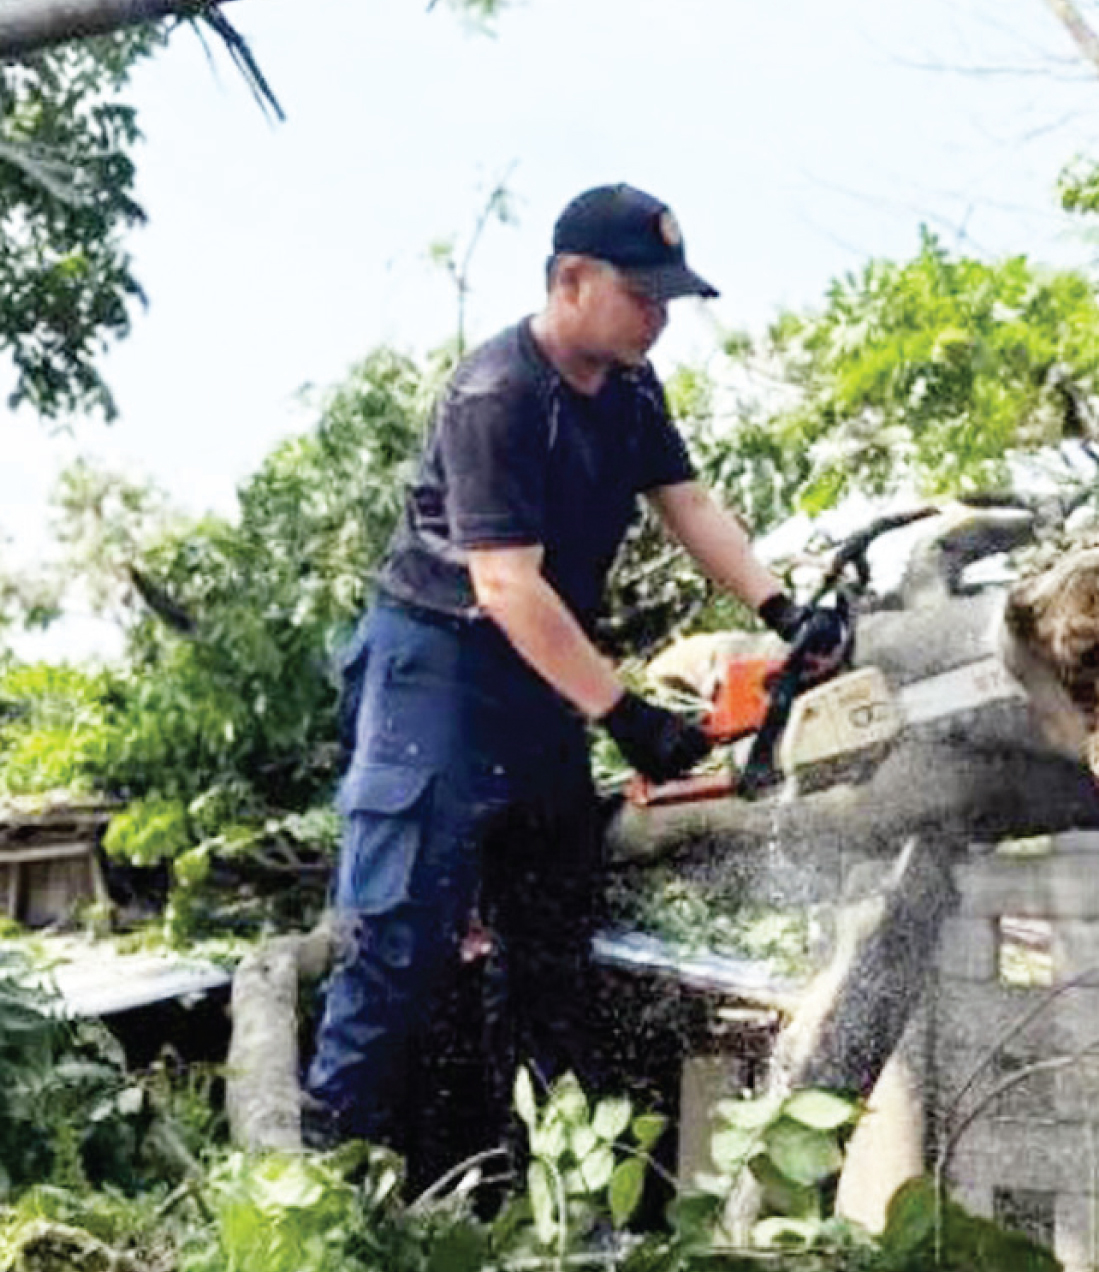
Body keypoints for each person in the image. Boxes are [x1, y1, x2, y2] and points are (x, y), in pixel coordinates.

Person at [303, 183, 848, 1156]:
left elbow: (689, 505)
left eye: (668, 300)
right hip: (439, 664)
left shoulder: (633, 390)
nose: (660, 317)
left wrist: (781, 607)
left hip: (543, 666)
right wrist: (624, 714)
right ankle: (316, 1195)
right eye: (643, 296)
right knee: (397, 938)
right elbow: (507, 587)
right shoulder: (496, 393)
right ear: (570, 280)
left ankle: (554, 1196)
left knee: (550, 937)